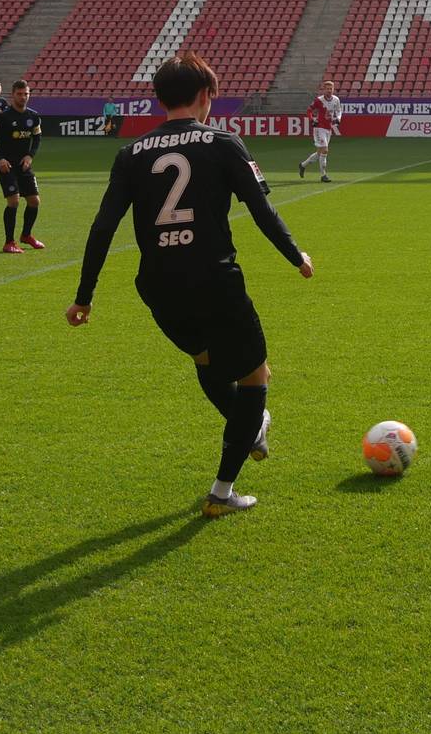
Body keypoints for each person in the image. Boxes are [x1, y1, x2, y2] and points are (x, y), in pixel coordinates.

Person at [67, 50, 316, 517]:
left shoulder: (130, 154)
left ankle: (250, 429)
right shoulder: (223, 141)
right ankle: (222, 492)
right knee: (255, 376)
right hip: (214, 277)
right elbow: (261, 210)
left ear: (160, 99)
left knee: (207, 360)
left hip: (158, 285)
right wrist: (294, 255)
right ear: (206, 96)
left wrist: (84, 296)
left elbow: (103, 227)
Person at [0, 79, 46, 252]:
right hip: (6, 165)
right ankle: (9, 242)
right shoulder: (2, 117)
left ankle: (26, 235)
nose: (23, 97)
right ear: (13, 95)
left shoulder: (33, 116)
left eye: (26, 94)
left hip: (23, 165)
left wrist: (30, 156)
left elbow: (37, 137)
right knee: (13, 201)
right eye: (19, 94)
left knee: (34, 201)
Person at [297, 80, 341, 182]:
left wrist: (338, 118)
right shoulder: (319, 100)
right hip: (319, 128)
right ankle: (323, 175)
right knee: (325, 150)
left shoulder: (336, 100)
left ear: (333, 89)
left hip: (328, 128)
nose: (329, 91)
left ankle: (303, 165)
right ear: (323, 90)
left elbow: (339, 110)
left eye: (331, 89)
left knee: (319, 153)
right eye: (327, 89)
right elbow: (309, 110)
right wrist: (312, 120)